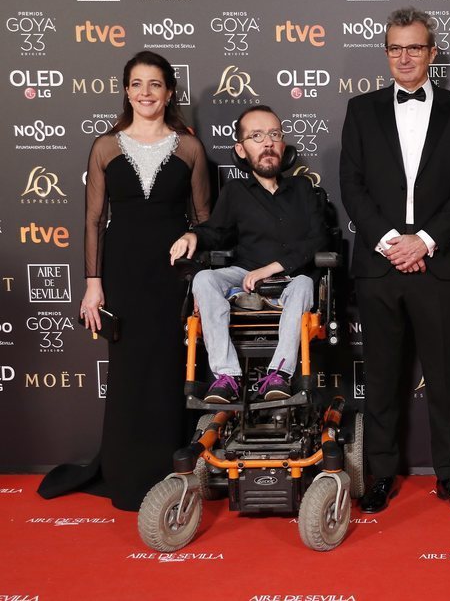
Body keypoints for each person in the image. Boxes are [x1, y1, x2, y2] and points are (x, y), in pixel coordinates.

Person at [38, 51, 210, 511]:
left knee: (170, 369)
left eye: (155, 84)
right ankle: (125, 471)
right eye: (137, 84)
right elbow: (94, 220)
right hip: (123, 273)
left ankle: (169, 470)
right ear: (126, 91)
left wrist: (194, 236)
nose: (146, 93)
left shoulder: (190, 148)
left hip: (173, 275)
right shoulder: (105, 147)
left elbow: (206, 218)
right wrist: (93, 283)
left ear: (170, 91)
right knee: (130, 370)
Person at [339, 7, 450, 514]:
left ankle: (449, 477)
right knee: (381, 378)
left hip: (440, 265)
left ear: (432, 52)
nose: (405, 56)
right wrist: (390, 241)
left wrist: (423, 240)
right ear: (386, 54)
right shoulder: (361, 109)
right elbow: (351, 186)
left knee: (446, 378)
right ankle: (380, 475)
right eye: (395, 48)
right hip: (379, 266)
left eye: (415, 47)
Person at [169, 105, 328, 403]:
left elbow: (318, 240)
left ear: (283, 145)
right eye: (257, 136)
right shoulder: (235, 192)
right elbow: (215, 231)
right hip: (245, 276)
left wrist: (271, 269)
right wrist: (193, 235)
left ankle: (278, 374)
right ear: (241, 150)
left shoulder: (303, 189)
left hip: (292, 279)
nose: (267, 142)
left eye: (274, 134)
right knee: (204, 279)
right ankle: (227, 375)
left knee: (306, 284)